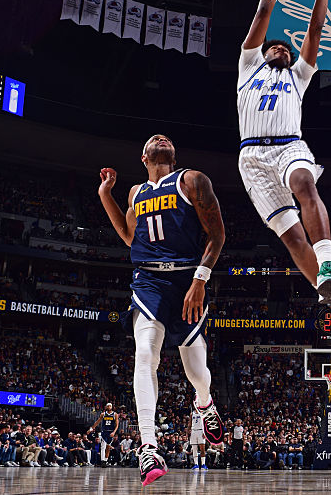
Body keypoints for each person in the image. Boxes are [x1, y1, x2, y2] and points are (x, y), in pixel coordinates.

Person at [235, 0, 331, 335]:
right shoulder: (248, 66)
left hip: (290, 145)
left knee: (306, 184)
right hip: (252, 159)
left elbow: (317, 27)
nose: (283, 51)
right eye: (277, 48)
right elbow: (262, 14)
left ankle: (328, 264)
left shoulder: (298, 75)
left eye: (287, 51)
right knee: (292, 239)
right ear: (263, 53)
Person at [98, 135, 227, 486]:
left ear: (172, 154)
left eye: (165, 138)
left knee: (196, 371)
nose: (160, 138)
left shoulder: (192, 180)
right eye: (153, 140)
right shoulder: (135, 193)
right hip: (149, 281)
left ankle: (204, 403)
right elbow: (129, 236)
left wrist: (200, 279)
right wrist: (105, 194)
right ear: (144, 158)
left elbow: (217, 235)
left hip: (187, 279)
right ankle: (149, 447)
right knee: (145, 354)